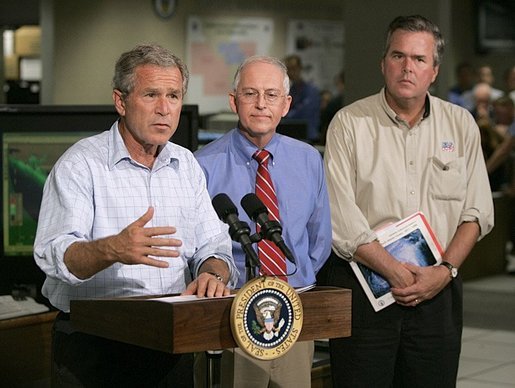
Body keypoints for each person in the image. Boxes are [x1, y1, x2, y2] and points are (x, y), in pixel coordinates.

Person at [33, 44, 238, 387]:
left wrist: (212, 273)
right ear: (120, 101)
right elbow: (54, 254)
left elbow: (214, 244)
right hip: (98, 346)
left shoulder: (185, 164)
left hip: (172, 340)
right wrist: (112, 249)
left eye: (173, 96)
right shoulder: (81, 164)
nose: (164, 109)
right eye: (151, 94)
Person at [319, 15, 494, 388]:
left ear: (434, 70)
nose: (407, 67)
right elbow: (340, 216)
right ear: (383, 64)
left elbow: (476, 213)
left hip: (437, 292)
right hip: (367, 290)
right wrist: (395, 271)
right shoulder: (349, 124)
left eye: (419, 59)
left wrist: (443, 271)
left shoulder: (461, 125)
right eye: (398, 56)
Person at [195, 55, 332, 388]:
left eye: (271, 95)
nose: (260, 104)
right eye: (250, 94)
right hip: (231, 312)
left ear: (286, 105)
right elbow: (195, 246)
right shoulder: (201, 165)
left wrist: (291, 281)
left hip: (294, 309)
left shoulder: (308, 159)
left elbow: (319, 239)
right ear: (233, 101)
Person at [283, 54, 322, 142]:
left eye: (294, 68)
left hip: (308, 136)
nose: (291, 72)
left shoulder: (311, 90)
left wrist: (284, 115)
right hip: (293, 134)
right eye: (288, 69)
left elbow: (303, 111)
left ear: (300, 68)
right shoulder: (291, 90)